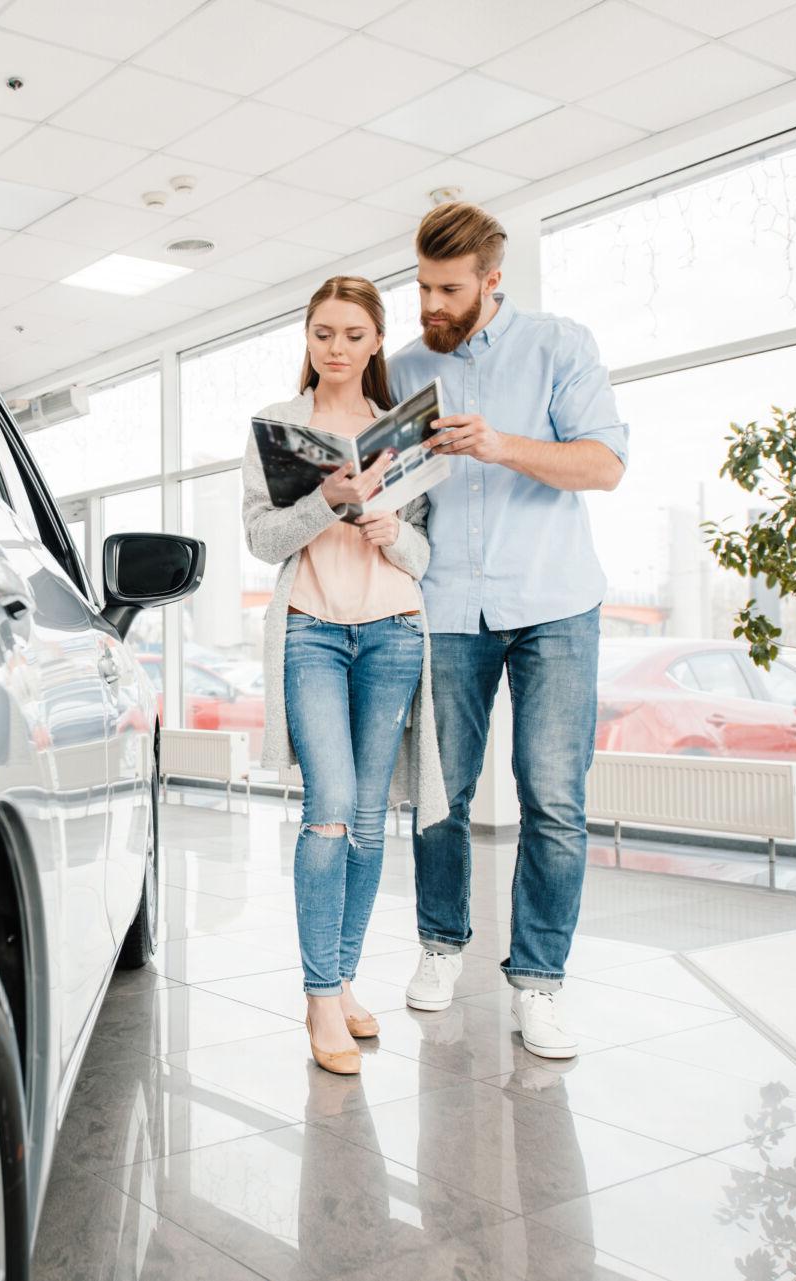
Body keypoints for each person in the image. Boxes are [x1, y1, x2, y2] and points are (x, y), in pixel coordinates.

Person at [388, 202, 629, 1059]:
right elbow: (392, 488)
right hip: (447, 601)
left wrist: (501, 445)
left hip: (554, 603)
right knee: (438, 792)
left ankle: (538, 983)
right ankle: (440, 947)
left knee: (553, 796)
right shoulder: (406, 365)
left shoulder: (559, 345)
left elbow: (603, 462)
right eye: (421, 285)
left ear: (492, 282)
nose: (430, 305)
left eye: (448, 289)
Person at [242, 275, 449, 1076]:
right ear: (307, 337)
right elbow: (263, 541)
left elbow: (423, 557)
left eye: (353, 335)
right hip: (312, 633)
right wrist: (327, 502)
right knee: (326, 809)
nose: (336, 348)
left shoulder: (403, 431)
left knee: (368, 819)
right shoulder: (278, 427)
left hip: (393, 631)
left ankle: (345, 980)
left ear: (375, 342)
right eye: (323, 333)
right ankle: (320, 994)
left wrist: (394, 527)